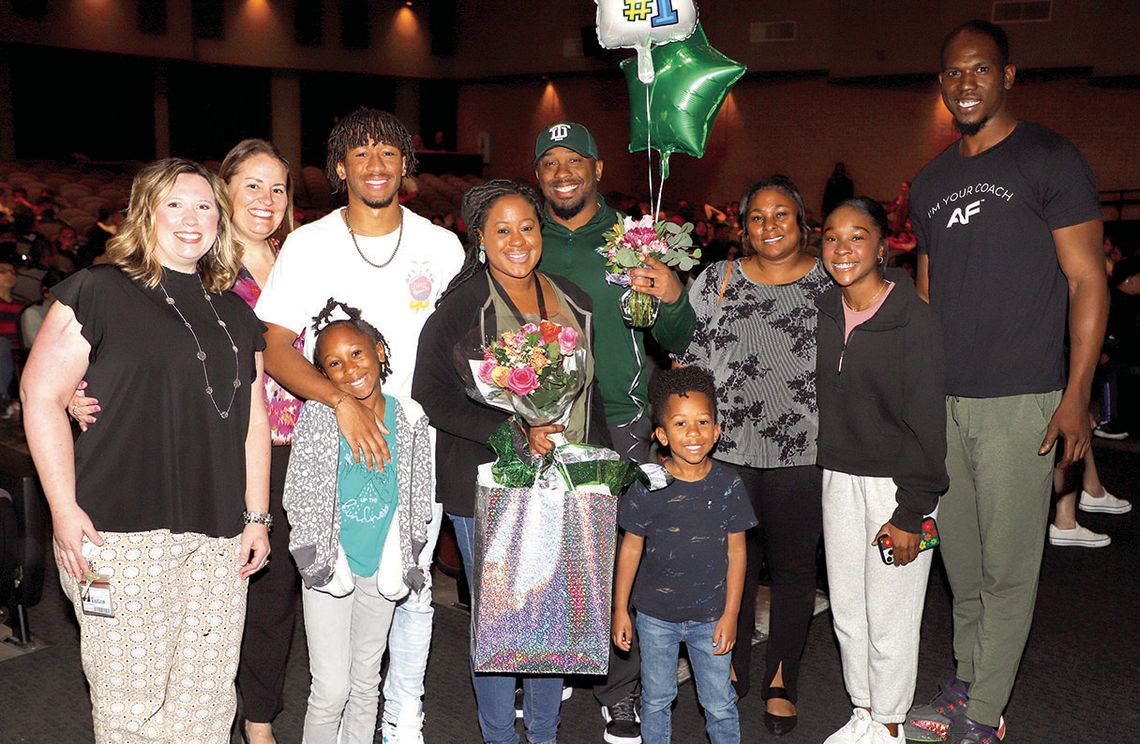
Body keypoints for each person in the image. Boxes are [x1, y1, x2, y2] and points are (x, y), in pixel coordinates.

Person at [19, 157, 272, 742]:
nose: (192, 218)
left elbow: (254, 419)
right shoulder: (97, 289)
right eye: (175, 204)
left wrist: (256, 517)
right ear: (146, 213)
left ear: (221, 218)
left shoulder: (237, 312)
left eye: (205, 205)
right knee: (131, 707)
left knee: (206, 703)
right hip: (117, 537)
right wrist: (63, 509)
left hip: (218, 539)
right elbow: (39, 395)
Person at [904, 21, 1108, 744]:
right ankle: (966, 681)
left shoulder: (1050, 159)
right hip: (948, 403)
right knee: (961, 565)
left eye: (981, 71)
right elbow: (926, 302)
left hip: (1023, 400)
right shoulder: (928, 183)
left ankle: (985, 716)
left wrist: (1076, 393)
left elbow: (1088, 280)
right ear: (941, 84)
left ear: (1008, 77)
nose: (966, 84)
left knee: (1011, 566)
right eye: (954, 73)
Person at [255, 107, 464, 743]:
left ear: (407, 167)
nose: (376, 165)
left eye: (389, 153)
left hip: (416, 444)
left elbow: (462, 347)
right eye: (360, 154)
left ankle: (405, 714)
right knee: (339, 583)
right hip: (335, 443)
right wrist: (340, 404)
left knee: (409, 589)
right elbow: (278, 344)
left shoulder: (442, 246)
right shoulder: (309, 243)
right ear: (340, 167)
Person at [412, 179, 609, 744]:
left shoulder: (574, 299)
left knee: (553, 617)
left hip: (565, 482)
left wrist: (599, 472)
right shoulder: (461, 308)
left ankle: (544, 734)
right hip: (486, 484)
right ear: (480, 237)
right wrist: (510, 430)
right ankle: (499, 736)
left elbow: (589, 393)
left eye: (527, 227)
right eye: (502, 229)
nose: (517, 240)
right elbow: (431, 392)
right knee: (502, 619)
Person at [534, 121, 695, 744]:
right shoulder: (525, 235)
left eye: (577, 159)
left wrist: (673, 293)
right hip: (547, 422)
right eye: (550, 162)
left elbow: (677, 340)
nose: (564, 172)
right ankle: (555, 670)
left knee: (625, 562)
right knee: (551, 559)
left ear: (599, 169)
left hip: (623, 422)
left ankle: (620, 691)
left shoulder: (634, 239)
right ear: (538, 174)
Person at [677, 174, 832, 737]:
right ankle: (733, 667)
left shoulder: (831, 282)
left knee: (793, 572)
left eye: (781, 215)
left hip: (803, 454)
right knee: (730, 570)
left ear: (802, 224)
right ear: (743, 228)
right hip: (727, 454)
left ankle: (781, 681)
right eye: (758, 217)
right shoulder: (716, 281)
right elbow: (686, 363)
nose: (770, 226)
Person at [815, 198, 947, 744]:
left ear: (883, 245)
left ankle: (891, 724)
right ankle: (865, 710)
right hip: (837, 477)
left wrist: (913, 511)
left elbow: (928, 424)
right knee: (848, 611)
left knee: (891, 615)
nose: (843, 249)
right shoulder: (823, 308)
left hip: (899, 486)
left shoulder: (913, 319)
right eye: (831, 237)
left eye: (857, 236)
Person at [284, 302, 433, 744]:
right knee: (331, 689)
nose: (349, 368)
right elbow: (299, 494)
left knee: (367, 684)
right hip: (331, 567)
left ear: (380, 352)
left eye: (357, 353)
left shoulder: (409, 417)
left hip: (382, 569)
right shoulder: (318, 416)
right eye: (333, 363)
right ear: (323, 375)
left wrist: (408, 553)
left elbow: (420, 494)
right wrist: (315, 557)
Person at [612, 366, 755, 744]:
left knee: (720, 702)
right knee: (657, 700)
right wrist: (620, 609)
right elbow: (630, 546)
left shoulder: (729, 484)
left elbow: (738, 552)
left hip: (711, 617)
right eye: (680, 423)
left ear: (718, 430)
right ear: (661, 435)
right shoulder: (647, 486)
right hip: (655, 618)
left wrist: (731, 614)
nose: (693, 433)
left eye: (703, 422)